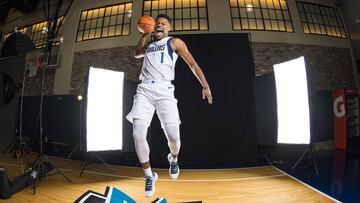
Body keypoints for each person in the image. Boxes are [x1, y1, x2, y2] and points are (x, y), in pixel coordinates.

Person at [126, 14, 213, 197]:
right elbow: (136, 53)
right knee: (137, 134)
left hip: (165, 90)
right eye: (156, 24)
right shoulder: (149, 45)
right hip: (144, 90)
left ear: (169, 28)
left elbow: (192, 64)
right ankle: (149, 175)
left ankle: (173, 158)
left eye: (163, 24)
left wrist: (205, 86)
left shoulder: (174, 42)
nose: (159, 25)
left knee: (174, 138)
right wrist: (143, 34)